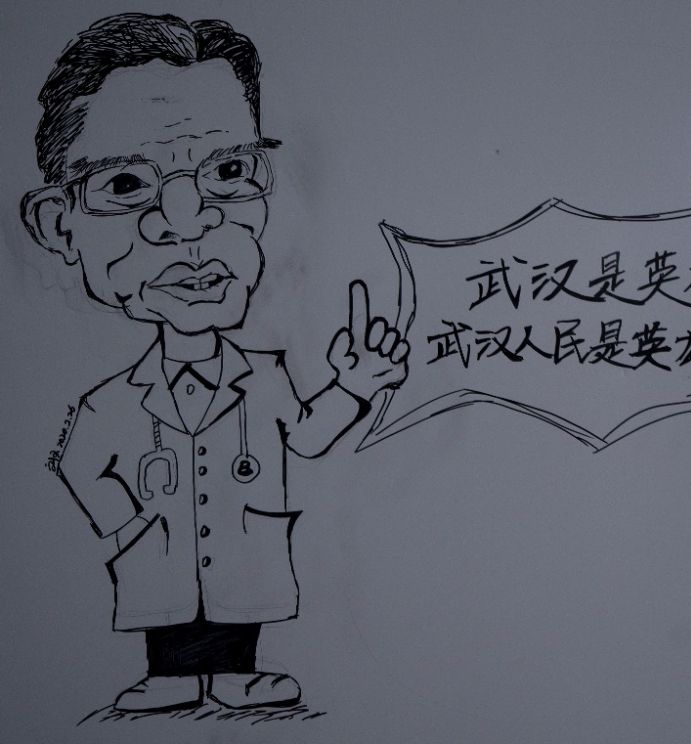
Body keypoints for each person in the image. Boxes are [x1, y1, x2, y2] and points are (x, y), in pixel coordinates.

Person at [20, 13, 408, 712]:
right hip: (158, 561)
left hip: (246, 554)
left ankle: (236, 671)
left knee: (239, 598)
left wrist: (354, 386)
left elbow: (307, 437)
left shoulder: (267, 375)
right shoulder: (110, 401)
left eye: (229, 172)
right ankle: (168, 676)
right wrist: (131, 528)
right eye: (125, 184)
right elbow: (74, 462)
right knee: (167, 602)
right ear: (58, 224)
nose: (189, 220)